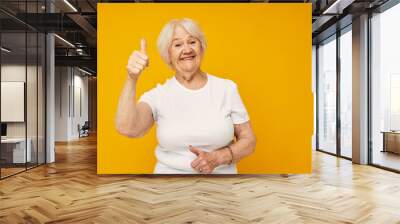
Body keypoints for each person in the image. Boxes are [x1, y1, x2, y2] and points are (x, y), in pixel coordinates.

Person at [116, 18, 256, 174]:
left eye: (192, 42)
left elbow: (249, 140)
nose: (187, 49)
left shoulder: (226, 89)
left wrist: (218, 158)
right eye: (177, 45)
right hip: (169, 187)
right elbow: (127, 128)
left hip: (221, 188)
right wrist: (131, 78)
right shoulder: (159, 95)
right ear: (168, 55)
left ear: (201, 48)